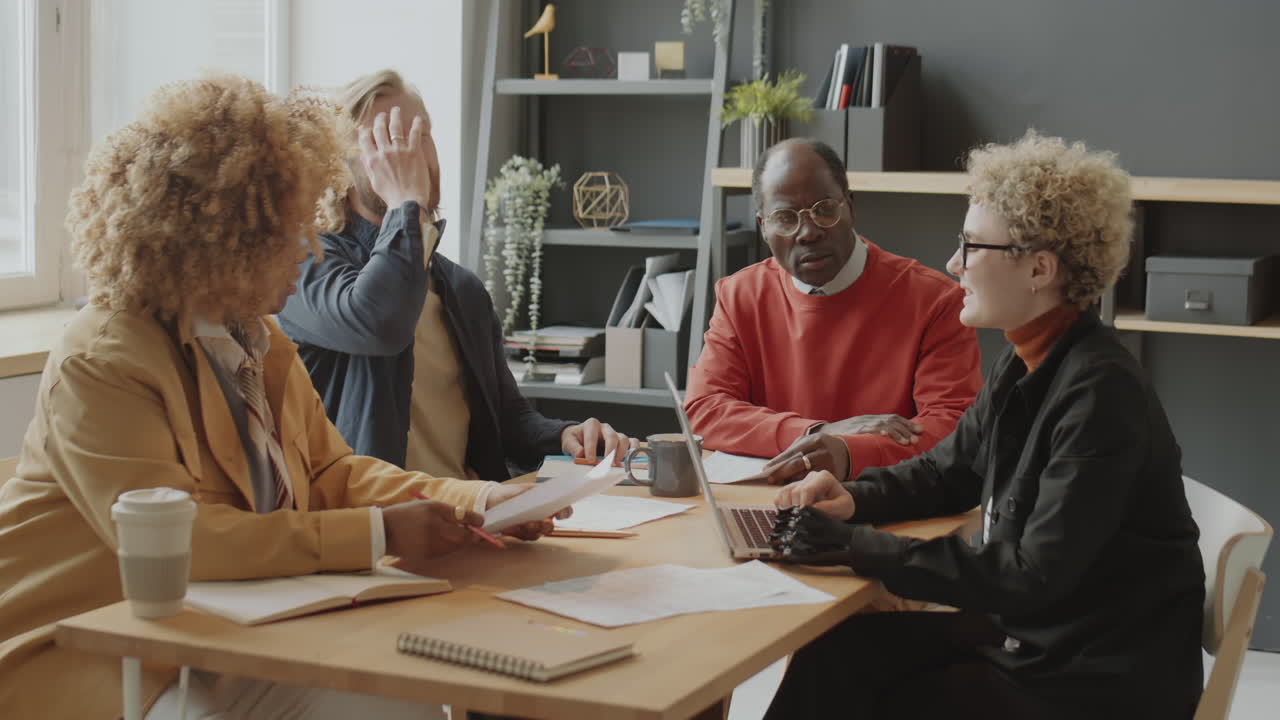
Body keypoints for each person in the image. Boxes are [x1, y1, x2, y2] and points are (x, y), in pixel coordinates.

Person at [0, 74, 562, 720]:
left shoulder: (252, 335)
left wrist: (479, 499)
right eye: (289, 231)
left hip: (225, 639)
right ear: (223, 241)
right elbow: (190, 544)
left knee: (400, 707)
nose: (312, 248)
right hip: (98, 652)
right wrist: (379, 532)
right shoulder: (103, 359)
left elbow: (332, 472)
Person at [764, 131, 1205, 719]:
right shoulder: (1025, 361)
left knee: (886, 698)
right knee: (836, 653)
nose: (953, 264)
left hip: (1092, 681)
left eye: (972, 246)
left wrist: (854, 547)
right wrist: (851, 500)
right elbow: (948, 473)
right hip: (1043, 639)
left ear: (1039, 269)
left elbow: (1029, 576)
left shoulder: (1101, 393)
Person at [277, 70, 634, 481]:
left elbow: (507, 420)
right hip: (379, 529)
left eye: (420, 134)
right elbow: (378, 322)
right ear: (342, 161)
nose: (410, 154)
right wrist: (405, 204)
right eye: (387, 138)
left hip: (472, 517)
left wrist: (567, 435)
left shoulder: (461, 289)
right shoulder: (305, 262)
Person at [684, 138, 982, 483]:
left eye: (824, 209)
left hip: (884, 506)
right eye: (785, 218)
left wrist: (845, 452)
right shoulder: (740, 296)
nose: (808, 232)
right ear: (763, 227)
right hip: (768, 502)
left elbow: (951, 427)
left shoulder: (935, 301)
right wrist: (817, 433)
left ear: (850, 207)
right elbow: (704, 408)